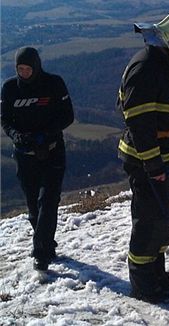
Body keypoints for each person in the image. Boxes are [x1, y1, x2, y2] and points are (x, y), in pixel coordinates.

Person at [117, 11, 169, 304]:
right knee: (148, 219)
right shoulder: (146, 67)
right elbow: (139, 124)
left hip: (158, 155)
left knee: (165, 211)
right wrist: (153, 166)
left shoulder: (160, 62)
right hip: (145, 158)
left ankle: (157, 275)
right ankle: (142, 284)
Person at [1, 46, 74, 272]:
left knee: (48, 201)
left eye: (27, 68)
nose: (23, 72)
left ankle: (40, 253)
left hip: (52, 151)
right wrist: (17, 136)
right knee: (34, 206)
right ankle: (47, 243)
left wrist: (47, 134)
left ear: (36, 66)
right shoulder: (10, 88)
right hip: (25, 155)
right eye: (19, 69)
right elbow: (5, 120)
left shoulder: (54, 84)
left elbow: (68, 115)